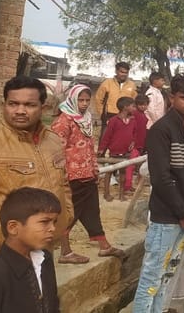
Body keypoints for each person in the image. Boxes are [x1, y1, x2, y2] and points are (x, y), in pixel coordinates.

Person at [133, 74, 184, 313]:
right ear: (171, 98)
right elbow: (161, 179)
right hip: (167, 216)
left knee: (167, 274)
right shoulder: (161, 129)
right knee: (152, 276)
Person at [0, 76, 73, 254]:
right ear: (4, 105)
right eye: (13, 104)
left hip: (46, 247)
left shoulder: (53, 140)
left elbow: (64, 183)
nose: (20, 111)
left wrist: (66, 216)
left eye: (29, 105)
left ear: (43, 108)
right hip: (5, 251)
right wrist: (7, 235)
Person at [51, 84, 125, 264]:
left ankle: (104, 246)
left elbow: (90, 147)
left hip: (88, 174)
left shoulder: (85, 119)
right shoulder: (64, 121)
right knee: (71, 213)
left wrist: (94, 169)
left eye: (87, 100)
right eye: (80, 100)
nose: (84, 104)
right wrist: (62, 174)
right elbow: (56, 150)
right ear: (72, 100)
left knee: (91, 210)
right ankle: (65, 252)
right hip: (72, 176)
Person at [0, 187, 61, 313]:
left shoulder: (45, 259)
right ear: (13, 228)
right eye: (44, 222)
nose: (52, 228)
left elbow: (53, 305)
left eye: (54, 222)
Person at [98, 96, 137, 202]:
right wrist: (101, 149)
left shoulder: (133, 121)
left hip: (126, 152)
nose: (134, 108)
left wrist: (133, 142)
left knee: (123, 173)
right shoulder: (114, 121)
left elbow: (134, 133)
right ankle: (106, 193)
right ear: (125, 107)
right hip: (114, 152)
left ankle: (121, 194)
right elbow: (107, 136)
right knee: (109, 172)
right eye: (132, 106)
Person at [94, 62, 137, 139]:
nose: (124, 74)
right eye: (122, 72)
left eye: (126, 73)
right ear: (116, 71)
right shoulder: (107, 83)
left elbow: (134, 101)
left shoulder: (132, 85)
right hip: (109, 116)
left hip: (125, 115)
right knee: (105, 138)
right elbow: (98, 99)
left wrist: (130, 115)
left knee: (121, 139)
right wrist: (102, 115)